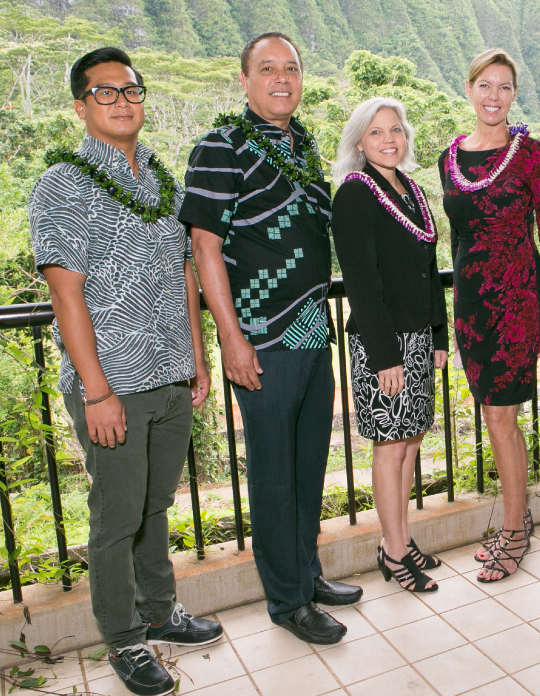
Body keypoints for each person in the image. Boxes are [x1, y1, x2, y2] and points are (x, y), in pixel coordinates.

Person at [28, 47, 222, 696]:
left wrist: (196, 359)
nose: (121, 101)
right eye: (104, 92)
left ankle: (160, 612)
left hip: (169, 376)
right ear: (80, 106)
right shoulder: (64, 184)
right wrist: (97, 391)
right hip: (113, 384)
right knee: (116, 518)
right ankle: (124, 638)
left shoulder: (162, 182)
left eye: (130, 90)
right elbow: (66, 294)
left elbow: (184, 276)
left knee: (155, 505)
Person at [180, 32, 361, 645]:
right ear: (245, 80)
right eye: (267, 69)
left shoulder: (301, 144)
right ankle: (287, 601)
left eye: (291, 68)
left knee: (308, 466)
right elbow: (203, 248)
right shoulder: (221, 146)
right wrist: (230, 340)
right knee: (275, 475)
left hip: (312, 331)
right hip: (261, 339)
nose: (282, 78)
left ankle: (307, 575)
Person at [438, 48, 540, 583]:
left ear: (514, 94)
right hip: (470, 305)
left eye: (504, 86)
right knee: (491, 415)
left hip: (517, 302)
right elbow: (457, 239)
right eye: (484, 85)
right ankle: (517, 517)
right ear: (469, 89)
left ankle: (514, 531)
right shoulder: (449, 158)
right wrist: (456, 309)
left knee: (502, 418)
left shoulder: (531, 153)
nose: (493, 95)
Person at [331, 97, 448, 593]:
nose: (388, 139)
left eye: (395, 130)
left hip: (418, 336)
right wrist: (384, 356)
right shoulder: (355, 194)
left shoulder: (410, 190)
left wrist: (438, 334)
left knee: (411, 440)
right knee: (390, 446)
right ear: (360, 142)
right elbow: (361, 282)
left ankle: (398, 540)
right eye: (376, 132)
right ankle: (395, 552)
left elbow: (429, 268)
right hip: (382, 344)